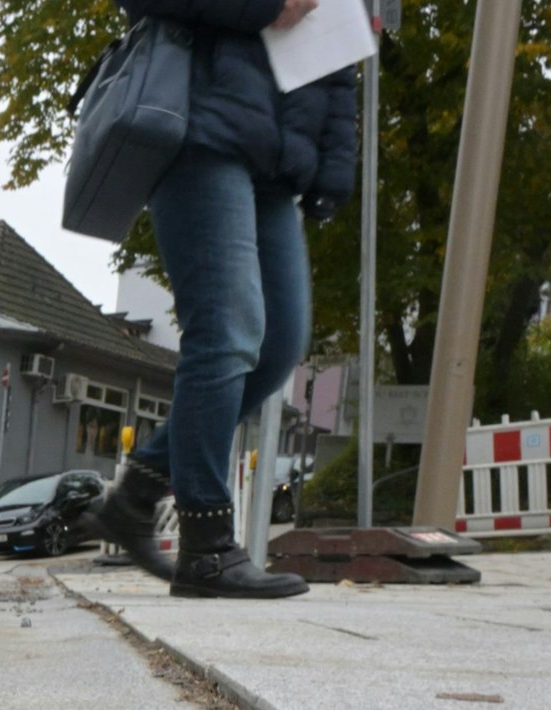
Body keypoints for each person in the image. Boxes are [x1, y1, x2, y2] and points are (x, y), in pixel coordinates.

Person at [88, 0, 355, 598]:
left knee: (280, 345)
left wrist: (334, 167)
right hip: (201, 126)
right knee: (228, 333)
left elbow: (340, 57)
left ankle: (134, 496)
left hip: (279, 159)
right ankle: (206, 548)